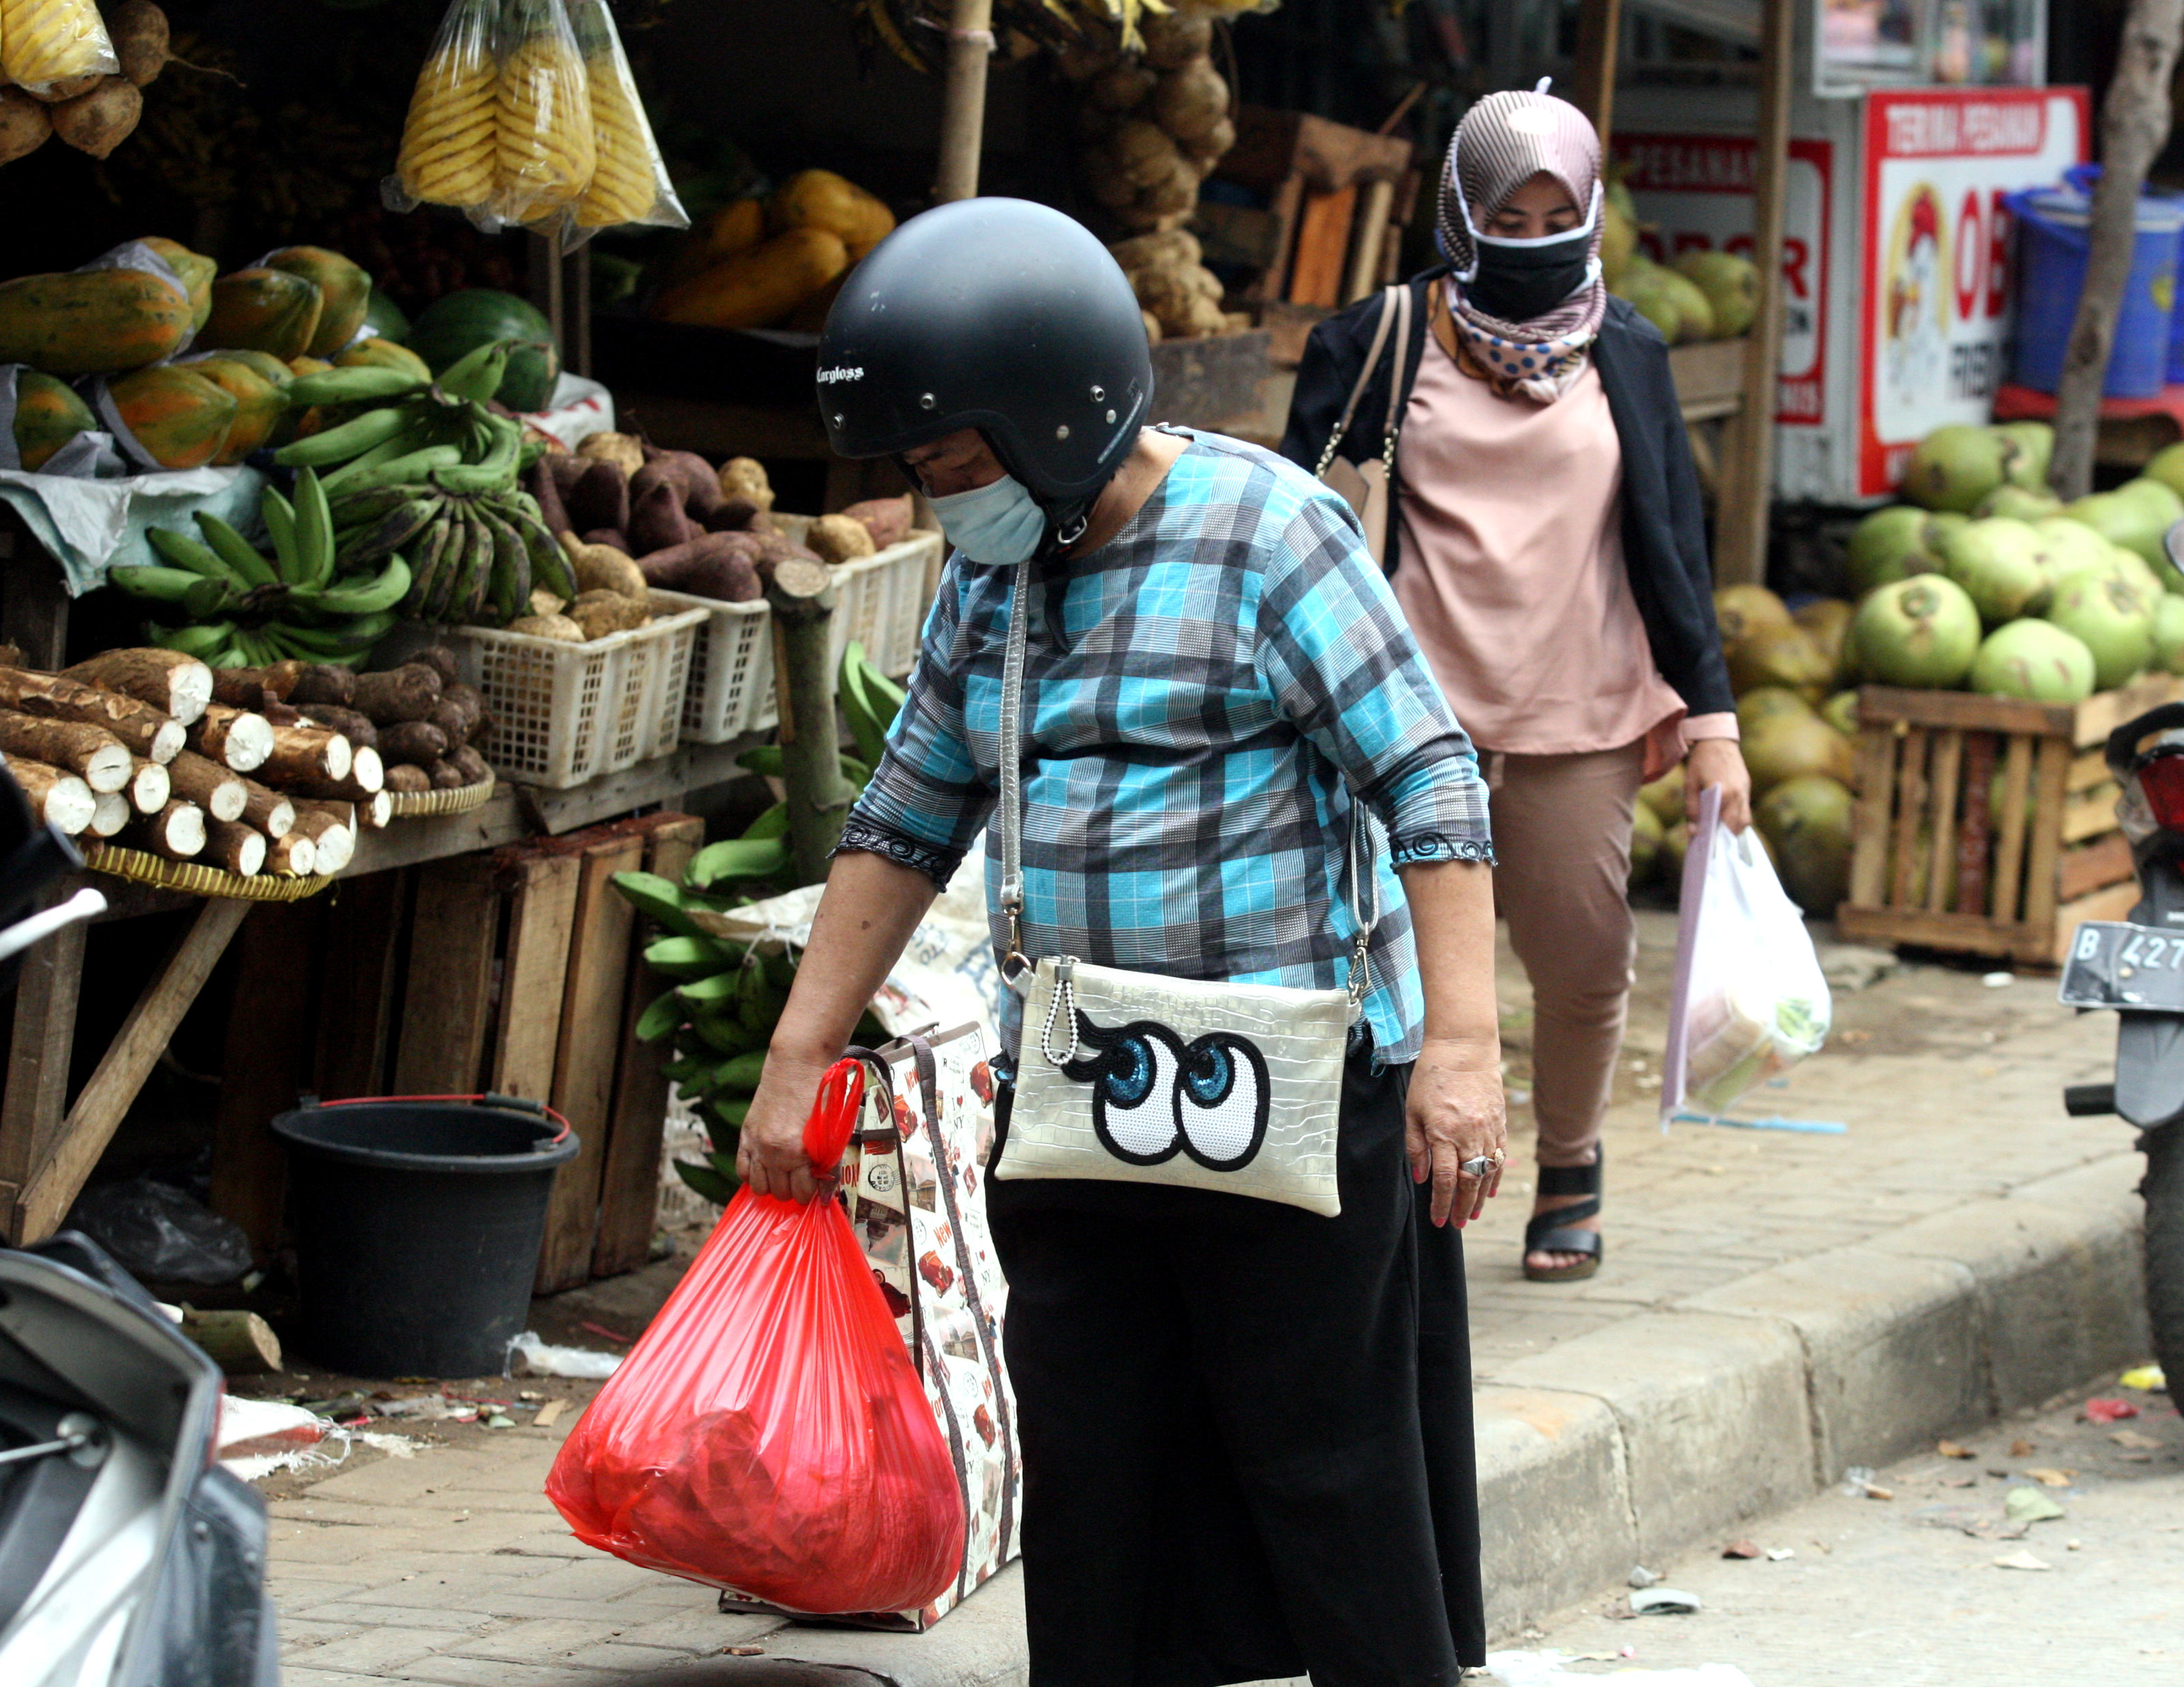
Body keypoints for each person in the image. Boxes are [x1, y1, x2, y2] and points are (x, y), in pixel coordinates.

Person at [737, 197, 1500, 1686]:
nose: (940, 499)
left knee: (1323, 1459)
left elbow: (1431, 778)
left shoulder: (1269, 532)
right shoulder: (994, 571)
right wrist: (797, 1054)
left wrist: (1461, 1051)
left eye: (955, 465)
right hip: (1081, 1082)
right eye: (920, 473)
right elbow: (907, 814)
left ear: (1056, 412)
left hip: (1289, 1085)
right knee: (1093, 1457)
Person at [1282, 88, 1752, 1283]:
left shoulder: (1628, 351)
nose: (1534, 240)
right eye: (1506, 217)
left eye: (1558, 216)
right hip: (1403, 722)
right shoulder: (1375, 342)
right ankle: (1411, 1174)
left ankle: (1571, 1157)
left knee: (1582, 956)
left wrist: (1713, 721)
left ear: (1592, 212)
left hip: (1575, 711)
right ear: (1459, 213)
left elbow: (1672, 543)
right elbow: (1291, 524)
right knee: (1393, 963)